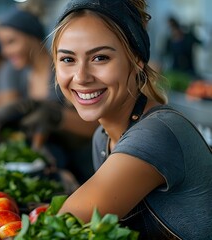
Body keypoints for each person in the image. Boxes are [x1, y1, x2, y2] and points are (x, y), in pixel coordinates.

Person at [52, 0, 212, 239]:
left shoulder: (158, 132)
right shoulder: (103, 138)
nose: (81, 76)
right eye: (68, 59)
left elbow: (60, 229)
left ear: (136, 60)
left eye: (100, 58)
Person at [0, 8, 99, 183]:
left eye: (11, 42)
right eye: (2, 44)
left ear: (33, 36)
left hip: (85, 166)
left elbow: (94, 127)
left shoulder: (65, 70)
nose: (4, 52)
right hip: (50, 168)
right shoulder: (17, 72)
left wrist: (55, 115)